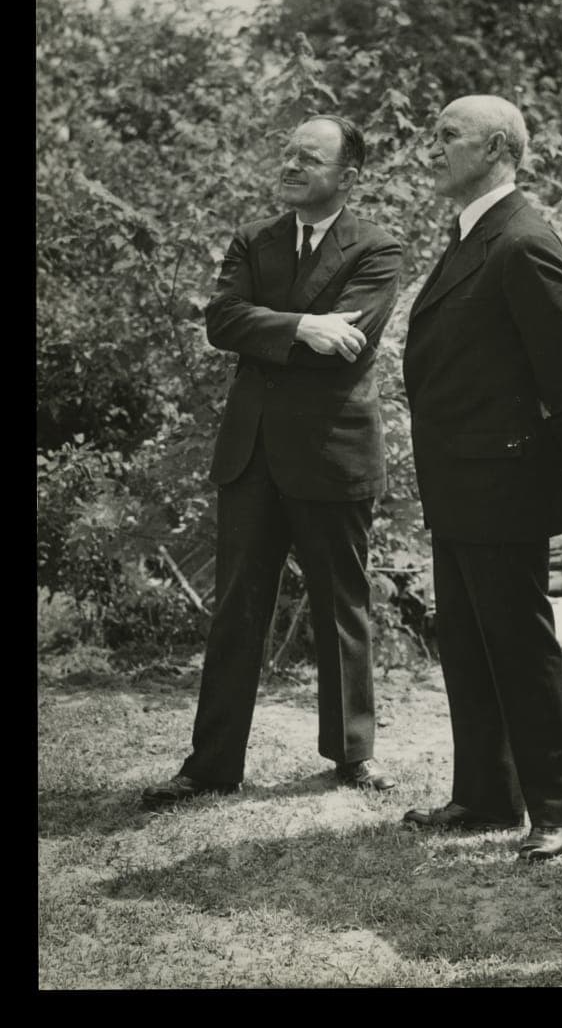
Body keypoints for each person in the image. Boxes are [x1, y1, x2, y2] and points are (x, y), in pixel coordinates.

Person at [142, 115, 403, 807]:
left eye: (307, 158)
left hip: (331, 452)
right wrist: (299, 328)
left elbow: (352, 338)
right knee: (235, 609)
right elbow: (220, 320)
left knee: (341, 606)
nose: (289, 165)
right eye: (286, 153)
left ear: (347, 176)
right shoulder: (253, 240)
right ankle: (210, 765)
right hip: (252, 454)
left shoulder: (378, 247)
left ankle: (351, 753)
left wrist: (285, 330)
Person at [401, 95, 562, 862]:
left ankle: (552, 810)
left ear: (495, 147)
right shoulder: (470, 235)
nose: (434, 146)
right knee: (467, 642)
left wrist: (561, 467)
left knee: (518, 648)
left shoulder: (520, 240)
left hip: (502, 480)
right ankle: (485, 794)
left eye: (446, 134)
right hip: (458, 481)